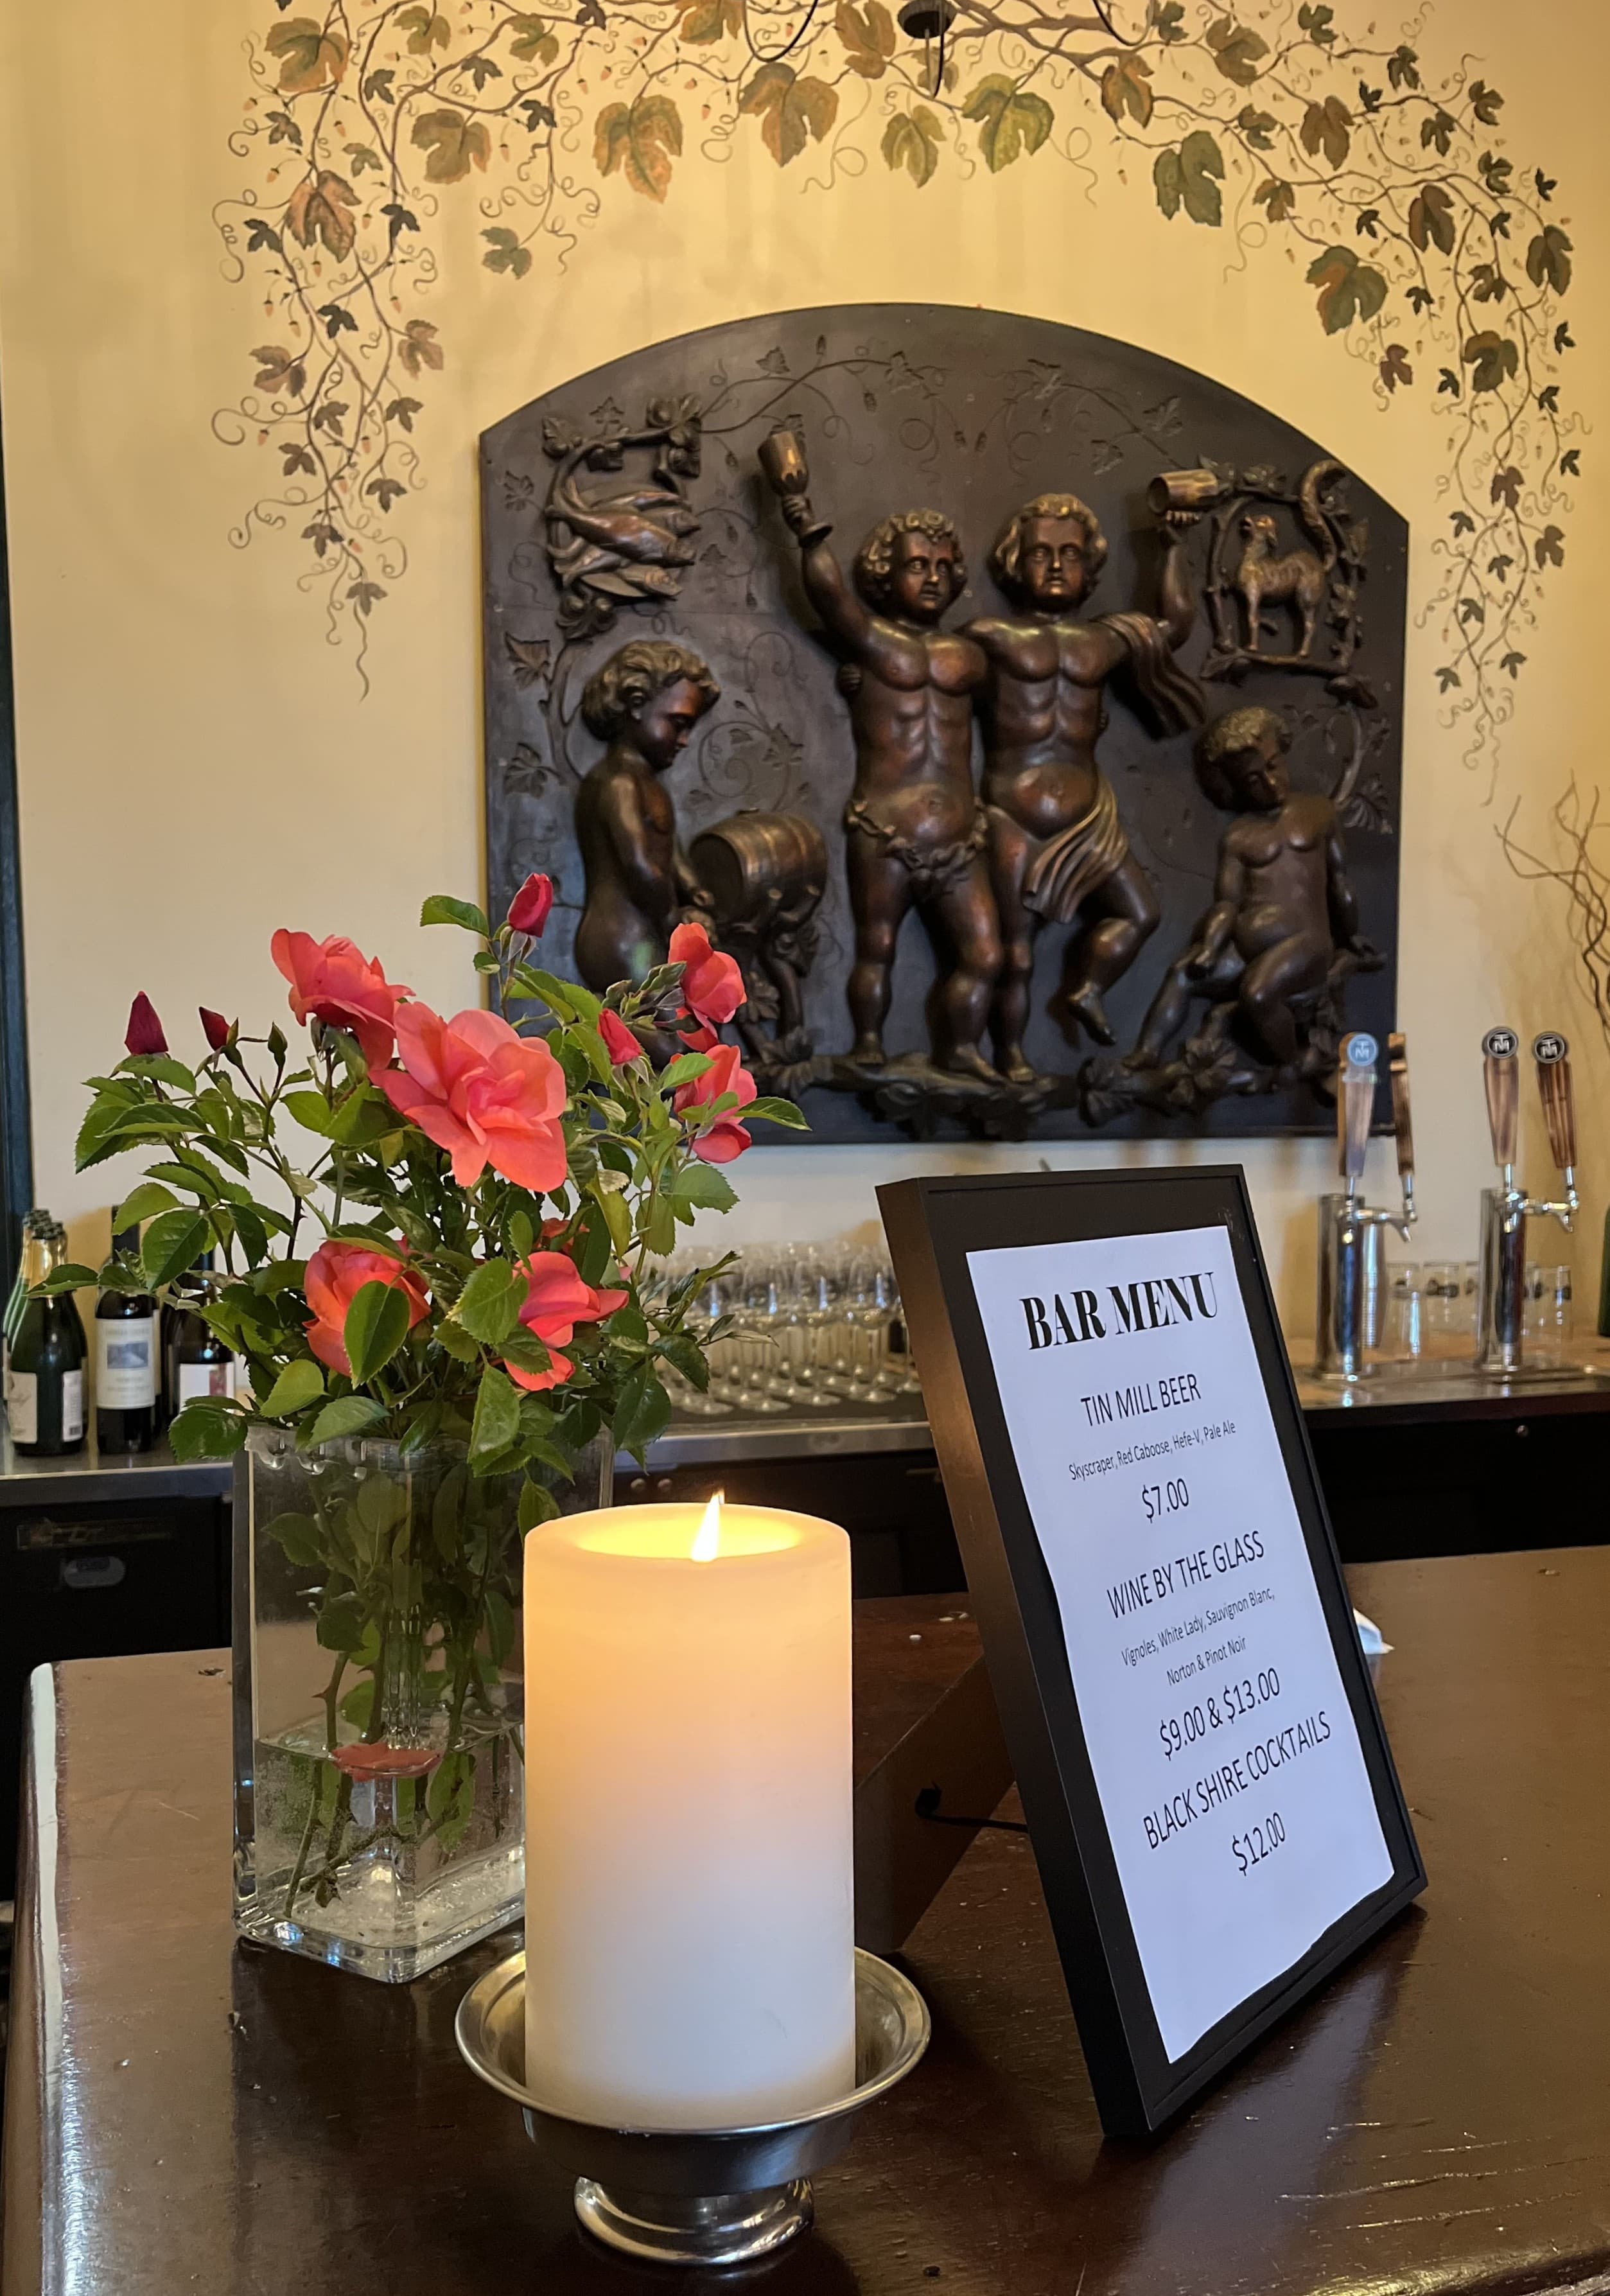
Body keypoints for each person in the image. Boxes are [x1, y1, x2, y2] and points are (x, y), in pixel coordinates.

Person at [762, 437, 1001, 1084]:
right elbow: (828, 595)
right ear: (883, 573)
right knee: (878, 945)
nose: (930, 576)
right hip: (884, 829)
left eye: (941, 566)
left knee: (985, 953)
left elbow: (1030, 713)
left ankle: (962, 1048)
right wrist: (796, 509)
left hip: (961, 834)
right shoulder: (872, 643)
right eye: (915, 564)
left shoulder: (973, 659)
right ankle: (867, 1043)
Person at [967, 493, 1200, 1078]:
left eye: (1069, 554)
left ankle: (1088, 988)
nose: (1053, 564)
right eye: (1041, 552)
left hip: (1088, 816)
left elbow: (1172, 626)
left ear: (1089, 569)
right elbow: (916, 667)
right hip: (1011, 816)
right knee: (1014, 953)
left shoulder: (1102, 641)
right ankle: (1009, 1055)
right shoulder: (988, 637)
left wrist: (1171, 545)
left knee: (1140, 912)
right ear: (1013, 561)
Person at [1127, 705, 1376, 1076]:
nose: (1271, 784)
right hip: (1246, 950)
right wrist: (1210, 947)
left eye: (1274, 766)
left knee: (1257, 994)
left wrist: (1352, 936)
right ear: (1235, 785)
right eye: (1253, 780)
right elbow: (1227, 903)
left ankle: (1294, 1065)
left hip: (1305, 943)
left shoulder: (1317, 812)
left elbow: (1340, 880)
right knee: (1182, 973)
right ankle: (1146, 1055)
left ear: (1284, 751)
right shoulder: (1239, 836)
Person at [573, 639, 717, 995]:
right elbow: (640, 866)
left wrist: (693, 887)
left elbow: (668, 845)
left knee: (665, 1032)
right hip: (620, 939)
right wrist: (674, 921)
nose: (684, 741)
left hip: (643, 932)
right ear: (637, 705)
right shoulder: (618, 784)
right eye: (678, 724)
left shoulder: (649, 783)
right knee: (658, 1035)